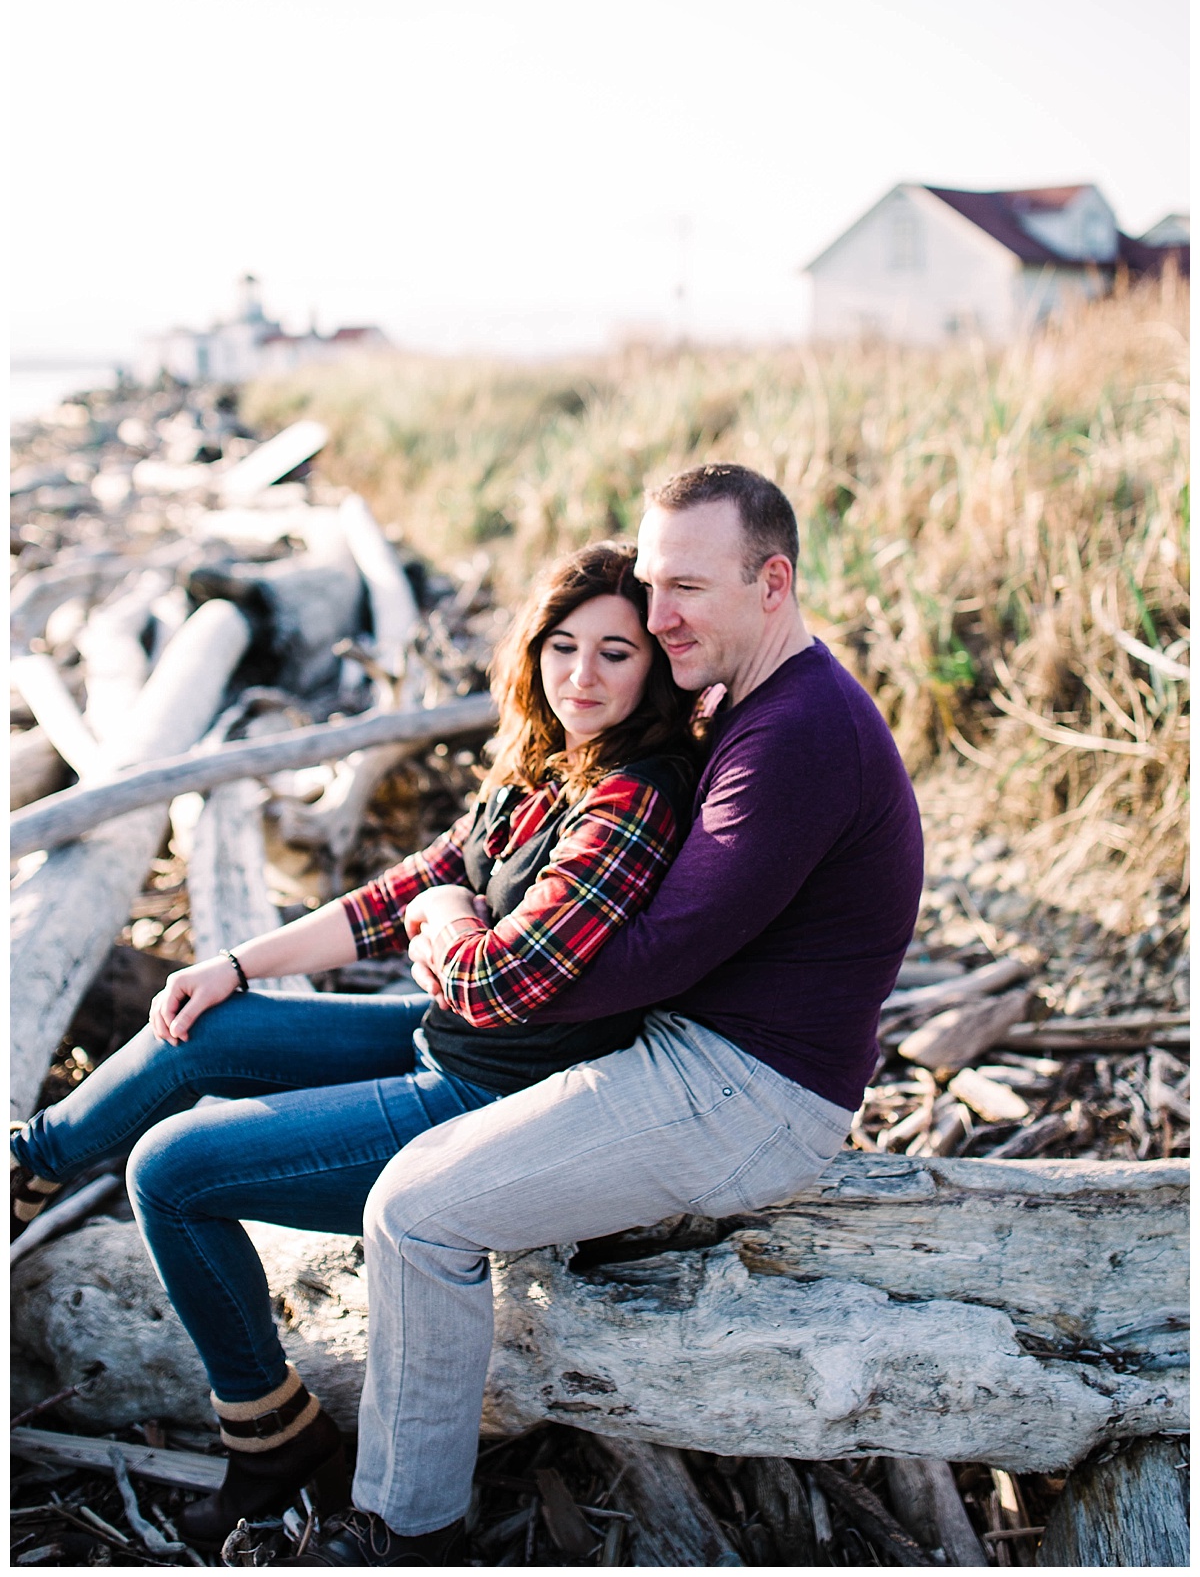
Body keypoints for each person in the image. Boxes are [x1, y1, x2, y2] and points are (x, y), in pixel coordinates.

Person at [283, 462, 925, 1569]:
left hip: (746, 1093)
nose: (656, 612)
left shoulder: (800, 734)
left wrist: (452, 939)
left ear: (772, 581)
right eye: (649, 579)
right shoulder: (755, 698)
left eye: (685, 587)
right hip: (697, 1056)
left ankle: (405, 1528)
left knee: (415, 1208)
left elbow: (650, 953)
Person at [9, 542, 699, 1551]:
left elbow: (504, 978)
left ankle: (272, 1439)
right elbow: (400, 892)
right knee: (207, 1025)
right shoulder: (549, 765)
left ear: (655, 669)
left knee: (171, 1167)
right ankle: (30, 1162)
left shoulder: (635, 792)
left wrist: (448, 917)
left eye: (614, 652)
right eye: (562, 645)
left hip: (491, 1106)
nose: (581, 675)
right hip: (445, 1042)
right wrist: (238, 962)